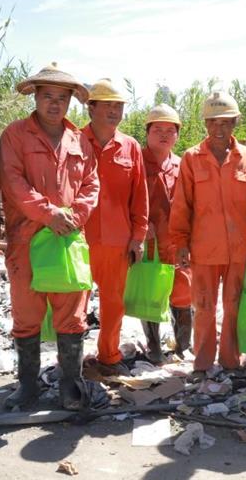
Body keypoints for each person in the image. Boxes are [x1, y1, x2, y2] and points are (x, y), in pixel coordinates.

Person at [0, 63, 107, 411]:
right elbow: (13, 182)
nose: (55, 104)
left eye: (62, 98)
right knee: (27, 315)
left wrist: (75, 215)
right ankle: (28, 387)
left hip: (68, 241)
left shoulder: (79, 140)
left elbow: (91, 183)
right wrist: (49, 213)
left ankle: (70, 387)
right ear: (36, 97)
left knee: (72, 315)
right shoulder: (15, 136)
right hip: (26, 240)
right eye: (48, 97)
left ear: (72, 101)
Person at [170, 92, 246, 378]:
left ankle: (230, 359)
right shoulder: (191, 158)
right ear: (205, 123)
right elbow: (182, 204)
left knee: (234, 305)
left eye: (225, 122)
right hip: (203, 248)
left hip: (239, 248)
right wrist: (180, 243)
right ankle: (202, 362)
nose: (218, 128)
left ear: (235, 123)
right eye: (213, 122)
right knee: (203, 306)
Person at [81, 79, 149, 375]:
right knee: (72, 306)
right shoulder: (73, 140)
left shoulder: (130, 146)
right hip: (77, 239)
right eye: (107, 104)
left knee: (113, 304)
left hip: (117, 241)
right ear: (91, 107)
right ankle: (71, 365)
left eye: (118, 105)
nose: (113, 111)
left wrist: (138, 236)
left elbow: (140, 195)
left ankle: (108, 357)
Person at [141, 103, 192, 363]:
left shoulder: (182, 165)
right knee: (151, 293)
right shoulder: (136, 162)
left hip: (177, 241)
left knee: (183, 292)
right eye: (157, 129)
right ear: (147, 132)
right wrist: (138, 225)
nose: (163, 134)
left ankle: (184, 346)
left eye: (170, 130)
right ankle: (154, 348)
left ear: (177, 135)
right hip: (149, 243)